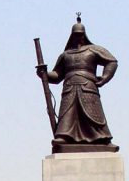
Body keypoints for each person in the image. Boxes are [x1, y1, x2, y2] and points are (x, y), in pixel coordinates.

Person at [37, 16, 118, 145]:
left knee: (93, 114)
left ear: (84, 35)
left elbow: (112, 62)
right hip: (69, 87)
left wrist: (104, 77)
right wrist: (44, 74)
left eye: (80, 35)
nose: (78, 37)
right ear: (71, 36)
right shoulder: (65, 55)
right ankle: (64, 136)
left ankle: (102, 138)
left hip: (88, 86)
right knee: (67, 114)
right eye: (75, 35)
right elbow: (57, 75)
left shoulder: (94, 49)